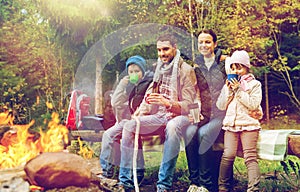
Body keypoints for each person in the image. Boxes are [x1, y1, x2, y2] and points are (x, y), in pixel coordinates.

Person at [118, 33, 196, 192]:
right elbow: (150, 96)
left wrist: (167, 103)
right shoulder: (159, 69)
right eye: (159, 50)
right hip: (161, 115)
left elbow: (189, 105)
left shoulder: (186, 70)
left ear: (175, 48)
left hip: (182, 116)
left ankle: (163, 185)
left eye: (166, 49)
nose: (162, 54)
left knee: (173, 127)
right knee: (129, 126)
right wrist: (140, 112)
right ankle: (125, 182)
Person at [184, 29, 227, 192]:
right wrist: (195, 111)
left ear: (215, 44)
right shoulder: (196, 67)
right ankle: (194, 183)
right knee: (189, 132)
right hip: (204, 114)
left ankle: (206, 185)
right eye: (201, 42)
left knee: (203, 133)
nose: (204, 45)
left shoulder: (225, 63)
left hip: (221, 116)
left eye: (207, 41)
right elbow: (195, 93)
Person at [99, 55, 153, 184]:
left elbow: (148, 105)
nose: (134, 74)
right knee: (108, 135)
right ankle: (107, 173)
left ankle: (134, 175)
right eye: (131, 72)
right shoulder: (129, 85)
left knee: (131, 133)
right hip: (129, 120)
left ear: (143, 71)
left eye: (137, 71)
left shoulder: (150, 82)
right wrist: (121, 86)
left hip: (145, 119)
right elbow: (115, 103)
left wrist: (135, 118)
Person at [216, 50, 262, 192]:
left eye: (239, 67)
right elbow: (221, 105)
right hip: (231, 125)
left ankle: (253, 188)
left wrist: (239, 91)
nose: (236, 71)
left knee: (250, 157)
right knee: (228, 155)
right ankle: (223, 186)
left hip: (249, 125)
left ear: (247, 67)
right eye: (233, 68)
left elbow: (253, 104)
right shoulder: (228, 86)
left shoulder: (254, 84)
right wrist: (229, 91)